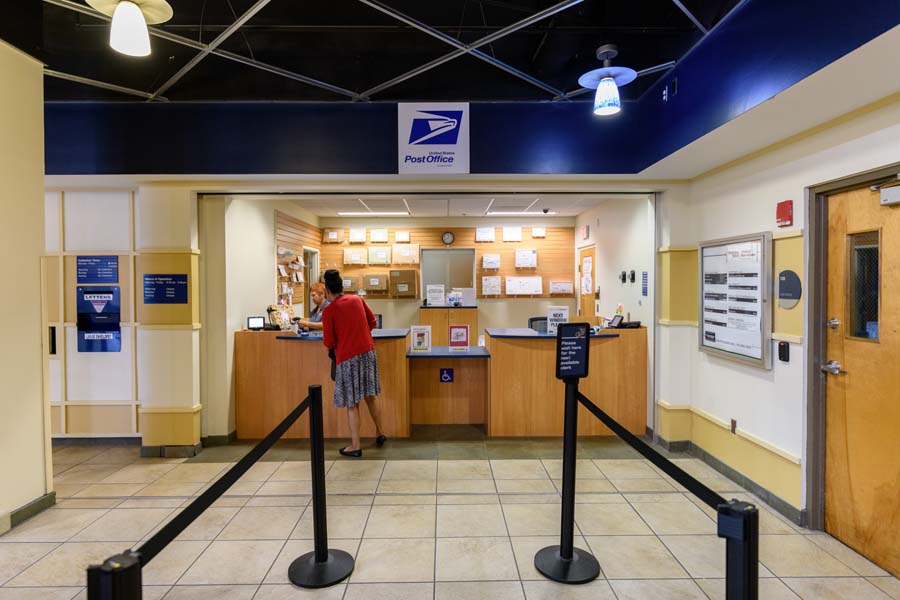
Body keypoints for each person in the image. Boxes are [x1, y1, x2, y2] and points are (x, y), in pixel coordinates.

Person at [321, 269, 386, 457]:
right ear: (342, 286)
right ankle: (380, 432)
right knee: (371, 396)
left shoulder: (329, 310)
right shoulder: (357, 300)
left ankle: (355, 446)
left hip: (348, 358)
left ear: (327, 290)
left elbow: (329, 342)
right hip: (367, 353)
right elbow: (373, 322)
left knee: (352, 403)